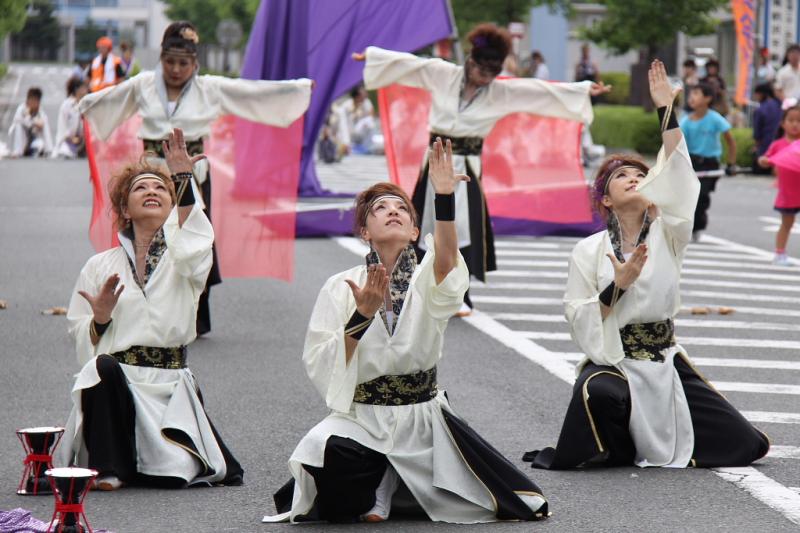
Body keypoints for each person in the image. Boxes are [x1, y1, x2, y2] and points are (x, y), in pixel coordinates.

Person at [267, 139, 549, 524]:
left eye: (402, 208)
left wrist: (444, 197)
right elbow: (319, 357)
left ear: (416, 229)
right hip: (362, 416)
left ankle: (395, 479)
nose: (392, 212)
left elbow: (448, 261)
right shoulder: (340, 285)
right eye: (380, 209)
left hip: (420, 417)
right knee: (327, 455)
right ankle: (385, 476)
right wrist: (361, 316)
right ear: (364, 231)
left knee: (504, 501)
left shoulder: (426, 278)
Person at [523, 60, 770, 471]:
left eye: (641, 173)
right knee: (598, 393)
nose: (634, 177)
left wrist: (666, 112)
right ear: (605, 198)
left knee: (747, 445)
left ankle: (646, 434)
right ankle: (619, 446)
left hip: (664, 360)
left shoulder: (670, 233)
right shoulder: (587, 250)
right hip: (616, 358)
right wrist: (616, 286)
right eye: (622, 176)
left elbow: (680, 175)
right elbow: (577, 314)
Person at [353, 23, 609, 314]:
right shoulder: (444, 74)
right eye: (482, 70)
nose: (486, 77)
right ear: (470, 61)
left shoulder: (501, 91)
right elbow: (411, 65)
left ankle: (459, 293)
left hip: (467, 168)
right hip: (435, 162)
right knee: (421, 226)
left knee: (460, 229)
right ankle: (412, 287)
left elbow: (538, 92)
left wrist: (585, 91)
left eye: (492, 72)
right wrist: (374, 59)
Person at [79, 21, 312, 336]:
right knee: (144, 235)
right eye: (170, 62)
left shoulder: (209, 88)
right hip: (151, 172)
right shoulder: (144, 84)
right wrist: (85, 106)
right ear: (161, 60)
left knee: (192, 237)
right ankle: (137, 306)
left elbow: (252, 93)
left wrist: (297, 90)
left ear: (195, 64)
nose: (175, 69)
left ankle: (193, 313)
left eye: (183, 63)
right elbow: (109, 100)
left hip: (191, 175)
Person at [59, 129, 243, 490]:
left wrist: (183, 179)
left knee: (170, 475)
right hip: (118, 384)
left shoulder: (184, 257)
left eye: (161, 190)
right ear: (124, 209)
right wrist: (99, 320)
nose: (152, 192)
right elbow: (80, 338)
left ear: (173, 208)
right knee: (100, 367)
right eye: (141, 188)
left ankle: (149, 458)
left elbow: (195, 238)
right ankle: (107, 468)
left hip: (167, 385)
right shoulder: (100, 265)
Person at [680, 83, 736, 241]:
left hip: (710, 164)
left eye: (696, 94)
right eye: (691, 94)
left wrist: (731, 163)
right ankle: (689, 226)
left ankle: (698, 227)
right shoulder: (685, 121)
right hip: (691, 162)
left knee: (702, 195)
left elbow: (730, 141)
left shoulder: (715, 118)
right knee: (689, 197)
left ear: (707, 98)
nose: (692, 97)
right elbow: (678, 144)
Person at [757, 105, 800, 265]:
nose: (795, 124)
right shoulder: (778, 144)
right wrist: (764, 161)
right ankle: (779, 253)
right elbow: (766, 160)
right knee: (787, 224)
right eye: (791, 120)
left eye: (799, 121)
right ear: (783, 123)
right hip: (787, 193)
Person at [8, 87, 52, 157]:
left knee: (40, 144)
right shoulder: (21, 109)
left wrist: (31, 120)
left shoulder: (40, 111)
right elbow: (21, 121)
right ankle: (17, 151)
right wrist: (32, 120)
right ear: (28, 100)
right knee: (18, 124)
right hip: (19, 140)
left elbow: (42, 124)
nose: (33, 103)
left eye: (36, 101)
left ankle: (48, 149)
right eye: (31, 100)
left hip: (31, 141)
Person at [53, 77, 89, 159]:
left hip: (82, 140)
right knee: (65, 152)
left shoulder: (85, 104)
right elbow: (62, 125)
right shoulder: (67, 105)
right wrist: (70, 138)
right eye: (84, 88)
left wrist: (83, 137)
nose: (86, 90)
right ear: (77, 90)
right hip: (67, 140)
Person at [751, 83, 782, 173]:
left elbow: (757, 132)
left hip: (766, 146)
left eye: (757, 95)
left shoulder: (760, 110)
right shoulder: (780, 105)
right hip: (781, 145)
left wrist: (756, 145)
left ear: (762, 94)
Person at [342, 85, 376, 154]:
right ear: (357, 97)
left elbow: (371, 115)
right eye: (362, 95)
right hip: (350, 132)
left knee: (369, 122)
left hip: (362, 131)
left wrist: (363, 114)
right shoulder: (347, 105)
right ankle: (349, 147)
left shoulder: (366, 102)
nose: (364, 96)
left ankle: (367, 148)